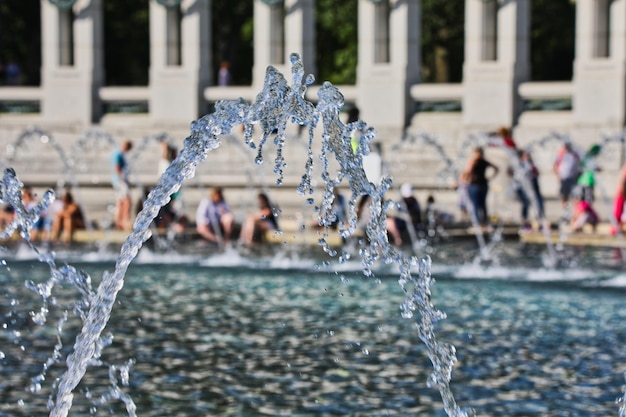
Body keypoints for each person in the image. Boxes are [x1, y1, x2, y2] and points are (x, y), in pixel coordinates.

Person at [461, 146, 499, 226]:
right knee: (483, 204)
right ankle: (484, 222)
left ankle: (478, 223)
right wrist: (490, 178)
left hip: (475, 185)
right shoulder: (484, 161)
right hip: (484, 184)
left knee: (475, 204)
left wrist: (463, 179)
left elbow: (468, 172)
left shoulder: (473, 161)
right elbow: (496, 168)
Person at [111, 140, 133, 231]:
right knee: (127, 201)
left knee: (120, 201)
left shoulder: (118, 154)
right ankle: (124, 221)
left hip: (118, 181)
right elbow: (116, 167)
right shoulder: (118, 154)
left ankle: (119, 222)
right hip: (120, 182)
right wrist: (122, 179)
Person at [553, 142, 580, 209]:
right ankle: (565, 209)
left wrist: (577, 174)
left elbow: (578, 164)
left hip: (572, 177)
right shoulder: (561, 154)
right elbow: (555, 165)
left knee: (575, 194)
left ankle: (575, 211)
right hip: (564, 177)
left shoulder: (574, 154)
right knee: (565, 194)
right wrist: (558, 175)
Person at [519, 149, 545, 220]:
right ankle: (524, 216)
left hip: (533, 184)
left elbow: (537, 173)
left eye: (528, 155)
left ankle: (539, 215)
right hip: (525, 185)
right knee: (526, 201)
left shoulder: (531, 164)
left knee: (537, 200)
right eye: (525, 155)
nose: (527, 157)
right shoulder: (519, 164)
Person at [611, 162, 626, 235]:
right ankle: (616, 229)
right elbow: (622, 181)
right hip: (622, 193)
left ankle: (618, 228)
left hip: (622, 192)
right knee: (618, 213)